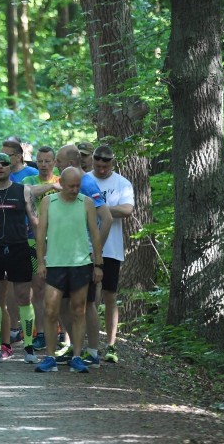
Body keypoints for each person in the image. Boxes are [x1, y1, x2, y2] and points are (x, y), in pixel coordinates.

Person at [34, 167, 104, 374]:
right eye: (71, 186)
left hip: (81, 263)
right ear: (61, 183)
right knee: (50, 310)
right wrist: (41, 262)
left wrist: (98, 264)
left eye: (77, 186)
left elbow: (94, 234)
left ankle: (77, 356)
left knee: (79, 309)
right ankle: (49, 356)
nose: (74, 190)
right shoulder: (49, 202)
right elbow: (40, 233)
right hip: (55, 263)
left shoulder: (86, 203)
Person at [0, 153, 39, 364]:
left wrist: (40, 250)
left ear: (11, 167)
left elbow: (35, 222)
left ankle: (29, 347)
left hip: (19, 247)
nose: (1, 167)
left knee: (23, 297)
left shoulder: (24, 190)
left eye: (4, 164)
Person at [89, 145, 134, 364]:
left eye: (105, 166)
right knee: (88, 297)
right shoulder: (85, 180)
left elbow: (127, 210)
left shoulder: (122, 183)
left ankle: (111, 344)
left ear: (112, 164)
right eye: (97, 166)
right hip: (85, 247)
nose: (101, 170)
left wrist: (100, 209)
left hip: (112, 248)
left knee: (109, 295)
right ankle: (87, 344)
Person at [21, 145, 61, 352]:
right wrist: (50, 188)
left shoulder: (62, 181)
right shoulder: (29, 180)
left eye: (48, 161)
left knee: (57, 288)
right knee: (37, 287)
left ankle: (59, 331)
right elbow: (25, 193)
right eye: (40, 161)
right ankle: (41, 332)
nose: (44, 165)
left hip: (58, 241)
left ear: (55, 162)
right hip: (32, 240)